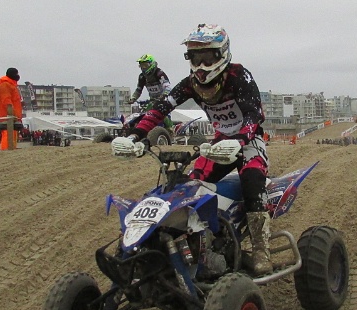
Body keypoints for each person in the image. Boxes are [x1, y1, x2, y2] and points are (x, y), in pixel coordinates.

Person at [113, 24, 274, 275]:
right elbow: (160, 109)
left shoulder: (239, 76)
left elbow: (254, 114)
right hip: (219, 143)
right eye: (195, 58)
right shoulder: (189, 84)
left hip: (249, 142)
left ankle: (260, 248)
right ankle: (200, 244)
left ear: (222, 54)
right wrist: (135, 135)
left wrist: (241, 138)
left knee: (253, 183)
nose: (201, 66)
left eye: (207, 58)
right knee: (190, 188)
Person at [0, 67, 24, 150]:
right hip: (7, 116)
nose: (18, 76)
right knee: (7, 136)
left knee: (13, 136)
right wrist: (13, 114)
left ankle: (10, 150)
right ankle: (5, 152)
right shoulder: (5, 85)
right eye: (16, 74)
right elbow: (6, 101)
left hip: (13, 117)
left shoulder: (12, 85)